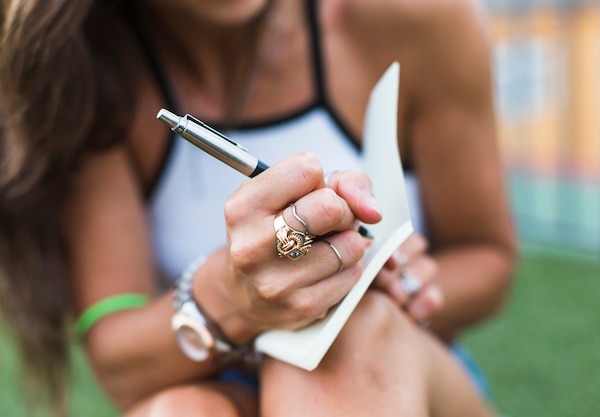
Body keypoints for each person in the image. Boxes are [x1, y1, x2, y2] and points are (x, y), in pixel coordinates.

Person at [0, 0, 517, 415]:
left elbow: (486, 255)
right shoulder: (93, 77)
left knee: (346, 339)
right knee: (179, 411)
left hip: (403, 369)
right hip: (221, 382)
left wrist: (382, 286)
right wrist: (233, 296)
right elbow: (120, 361)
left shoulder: (412, 17)